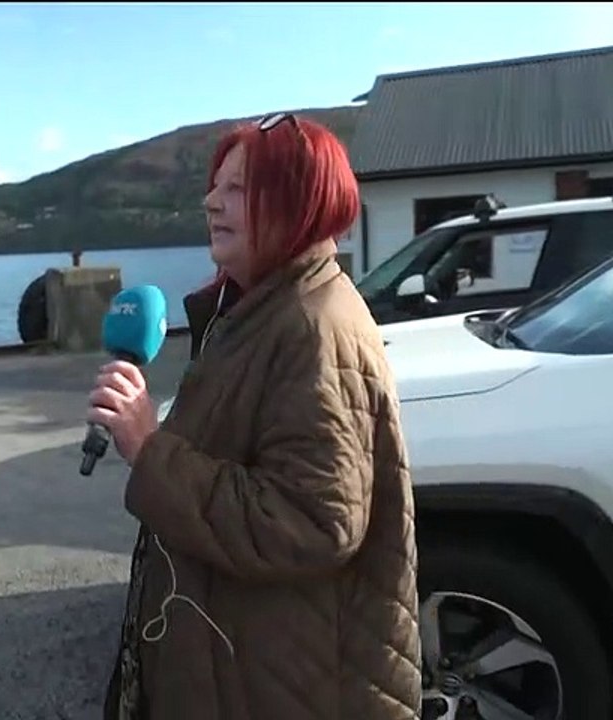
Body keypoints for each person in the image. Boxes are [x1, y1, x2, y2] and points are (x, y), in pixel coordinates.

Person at [88, 112, 422, 719]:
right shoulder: (255, 308)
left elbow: (311, 521)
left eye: (237, 189)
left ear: (298, 203)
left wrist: (151, 450)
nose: (211, 201)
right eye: (216, 186)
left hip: (279, 687)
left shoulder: (312, 327)